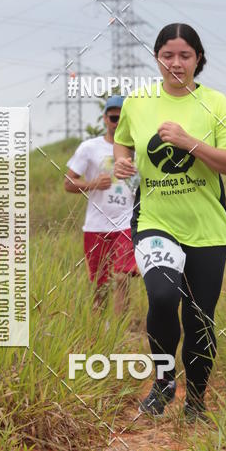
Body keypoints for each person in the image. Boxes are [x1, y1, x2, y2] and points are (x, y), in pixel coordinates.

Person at [113, 23, 226, 422]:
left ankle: (197, 401)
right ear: (157, 58)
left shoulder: (217, 104)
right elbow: (123, 138)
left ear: (198, 59)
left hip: (207, 229)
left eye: (185, 55)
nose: (176, 63)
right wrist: (121, 161)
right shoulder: (138, 103)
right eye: (167, 55)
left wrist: (189, 141)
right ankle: (164, 382)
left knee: (199, 318)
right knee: (161, 296)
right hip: (156, 220)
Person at [64, 96, 138, 311]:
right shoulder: (89, 147)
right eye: (113, 117)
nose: (117, 122)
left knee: (123, 277)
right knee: (100, 284)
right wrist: (93, 184)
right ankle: (100, 333)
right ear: (105, 119)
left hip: (126, 222)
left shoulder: (138, 148)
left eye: (122, 117)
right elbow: (68, 183)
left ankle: (119, 331)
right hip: (96, 225)